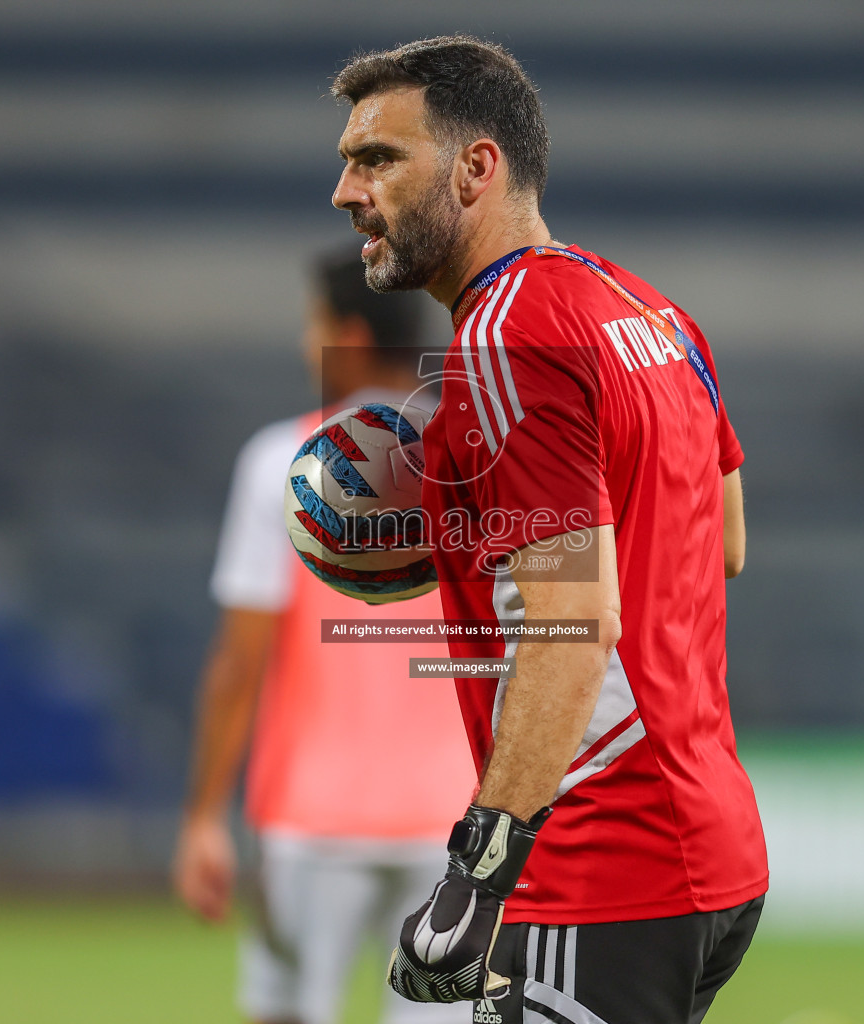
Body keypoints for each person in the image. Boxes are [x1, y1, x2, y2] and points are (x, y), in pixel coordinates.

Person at [329, 35, 767, 1024]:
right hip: (715, 845)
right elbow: (724, 539)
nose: (346, 190)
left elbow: (572, 627)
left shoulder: (505, 339)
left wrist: (474, 875)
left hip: (602, 865)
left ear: (478, 167)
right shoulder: (648, 309)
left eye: (378, 159)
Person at [173, 251, 478, 1024]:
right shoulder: (476, 461)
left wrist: (205, 815)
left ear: (343, 334)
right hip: (452, 822)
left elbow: (239, 663)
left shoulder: (282, 464)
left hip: (311, 817)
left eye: (312, 325)